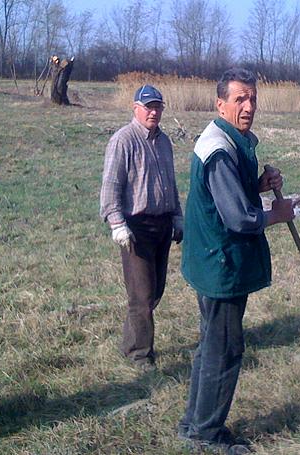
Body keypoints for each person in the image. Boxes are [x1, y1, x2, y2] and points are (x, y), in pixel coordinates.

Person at [178, 68, 295, 453]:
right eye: (239, 99)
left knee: (211, 344)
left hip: (212, 260)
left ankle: (193, 423)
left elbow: (228, 195)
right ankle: (206, 435)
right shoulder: (219, 149)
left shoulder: (230, 139)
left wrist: (258, 185)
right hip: (221, 264)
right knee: (224, 349)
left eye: (252, 99)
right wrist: (275, 215)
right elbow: (238, 218)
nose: (248, 107)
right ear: (220, 104)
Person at [99, 84, 183, 371]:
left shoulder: (164, 142)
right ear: (136, 108)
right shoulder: (123, 140)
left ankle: (130, 343)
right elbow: (111, 186)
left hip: (162, 224)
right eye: (148, 107)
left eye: (158, 107)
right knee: (142, 295)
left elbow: (171, 184)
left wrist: (177, 217)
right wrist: (117, 223)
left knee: (154, 291)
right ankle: (139, 355)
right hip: (136, 228)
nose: (153, 112)